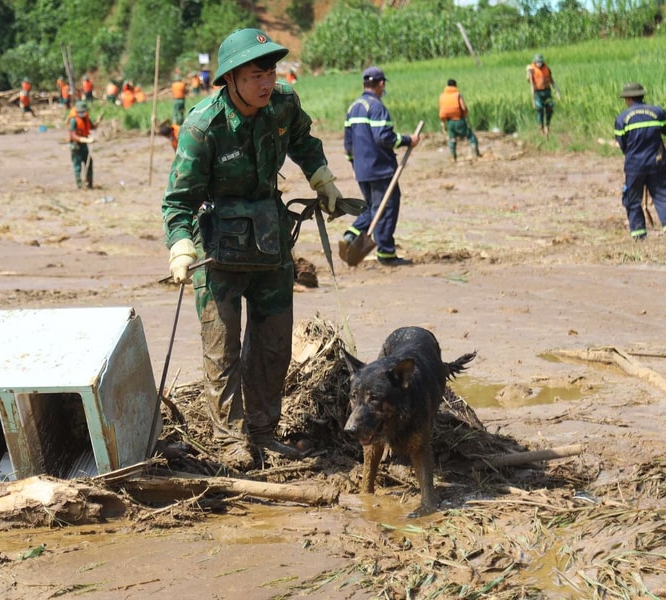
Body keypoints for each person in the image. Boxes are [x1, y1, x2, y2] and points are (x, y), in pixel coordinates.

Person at [161, 28, 344, 470]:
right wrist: (180, 245)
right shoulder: (203, 127)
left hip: (270, 240)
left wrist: (322, 179)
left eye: (271, 72)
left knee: (273, 346)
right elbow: (178, 200)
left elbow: (303, 140)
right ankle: (230, 441)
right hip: (216, 252)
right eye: (256, 75)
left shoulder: (283, 104)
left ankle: (263, 431)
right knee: (221, 348)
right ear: (231, 79)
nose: (267, 83)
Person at [343, 66, 420, 266]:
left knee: (372, 207)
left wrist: (355, 164)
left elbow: (348, 144)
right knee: (387, 207)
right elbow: (383, 137)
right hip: (380, 169)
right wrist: (407, 140)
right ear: (381, 84)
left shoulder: (353, 107)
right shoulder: (376, 107)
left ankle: (351, 236)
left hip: (362, 170)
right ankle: (386, 253)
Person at [613, 82, 666, 239]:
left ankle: (639, 234)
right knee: (662, 193)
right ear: (642, 96)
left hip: (634, 165)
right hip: (657, 162)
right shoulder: (657, 112)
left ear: (628, 99)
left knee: (632, 198)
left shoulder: (622, 119)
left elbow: (622, 144)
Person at [438, 78, 480, 161]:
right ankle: (476, 154)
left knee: (452, 139)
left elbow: (442, 109)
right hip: (459, 120)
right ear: (455, 85)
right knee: (471, 136)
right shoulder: (458, 95)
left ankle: (454, 157)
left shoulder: (442, 96)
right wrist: (465, 114)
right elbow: (463, 107)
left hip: (449, 122)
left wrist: (444, 122)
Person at [526, 53, 560, 136]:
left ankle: (547, 125)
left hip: (547, 91)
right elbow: (530, 84)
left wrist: (557, 91)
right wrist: (533, 99)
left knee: (550, 106)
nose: (539, 63)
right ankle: (540, 127)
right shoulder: (532, 70)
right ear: (535, 62)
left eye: (540, 61)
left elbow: (552, 81)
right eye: (537, 62)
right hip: (538, 92)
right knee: (540, 108)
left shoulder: (547, 69)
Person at [68, 100, 97, 189]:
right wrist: (84, 139)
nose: (82, 113)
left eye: (83, 111)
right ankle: (80, 185)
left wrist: (97, 122)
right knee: (77, 166)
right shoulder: (73, 120)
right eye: (80, 112)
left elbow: (92, 126)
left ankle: (89, 184)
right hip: (76, 145)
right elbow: (72, 135)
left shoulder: (86, 118)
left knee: (89, 163)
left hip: (84, 145)